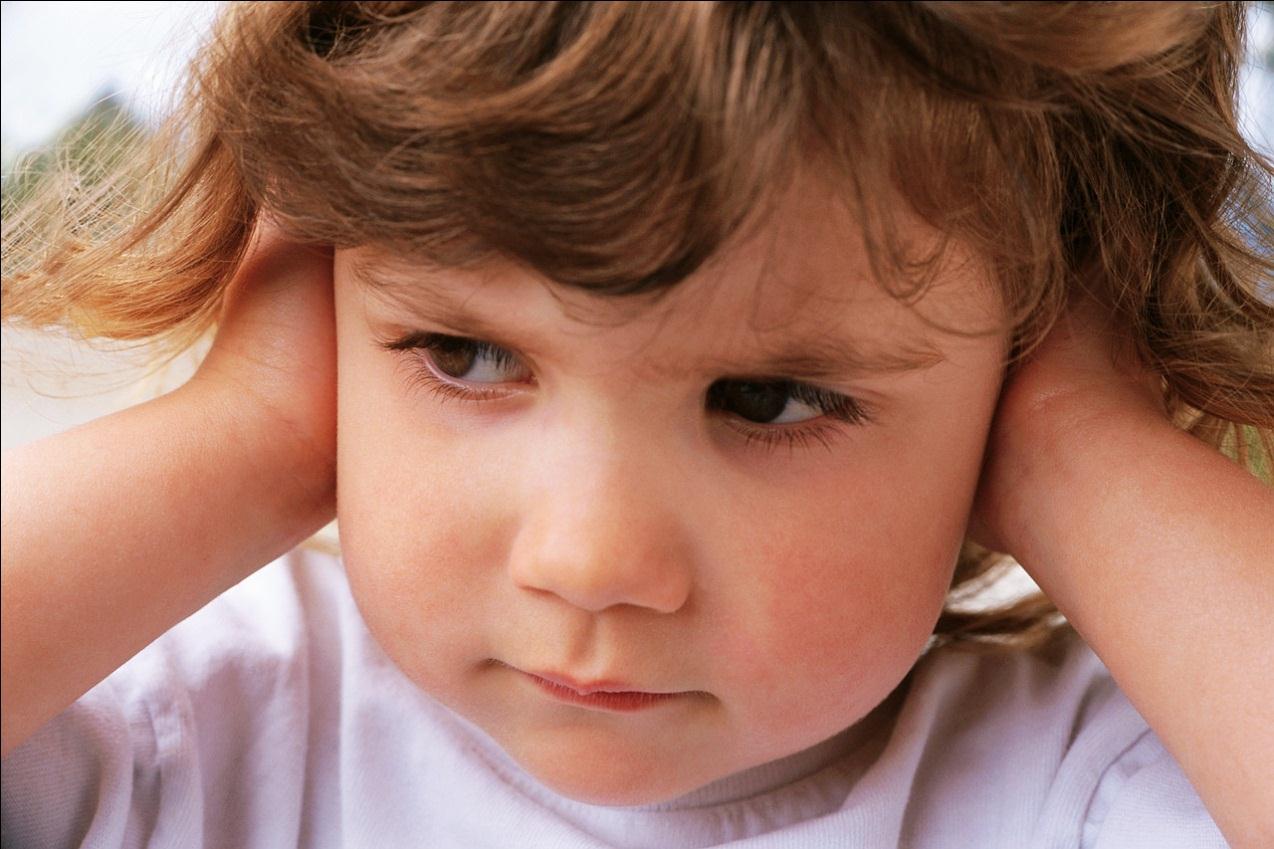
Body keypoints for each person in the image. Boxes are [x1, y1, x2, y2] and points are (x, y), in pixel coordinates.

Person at [2, 2, 1271, 847]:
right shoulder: (198, 726)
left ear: (1025, 358)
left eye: (765, 399)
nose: (590, 562)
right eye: (466, 352)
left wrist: (1082, 454)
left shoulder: (1086, 785)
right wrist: (250, 435)